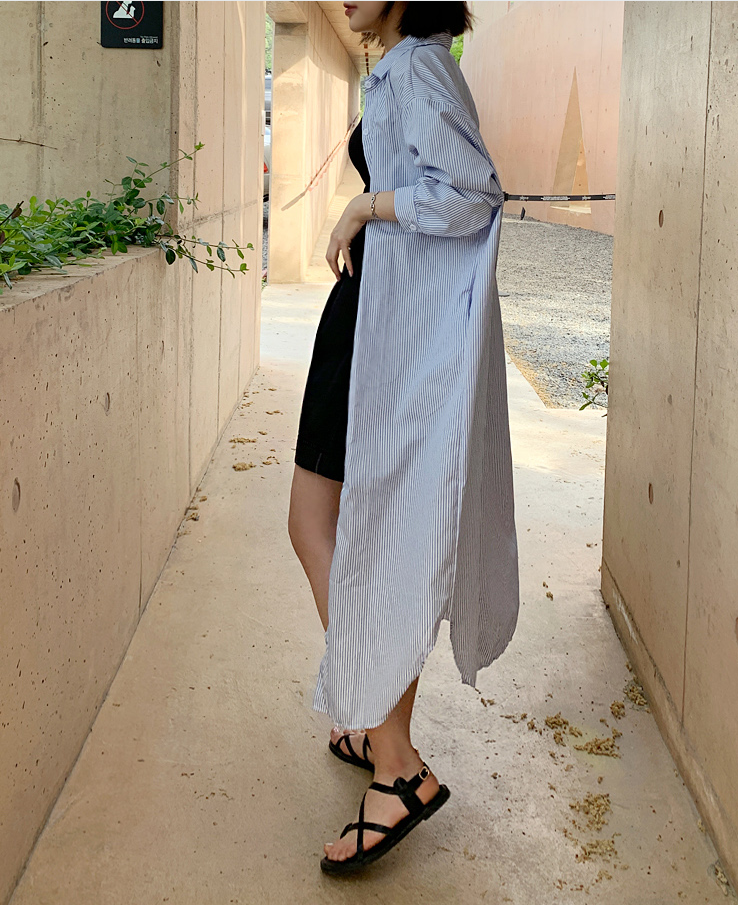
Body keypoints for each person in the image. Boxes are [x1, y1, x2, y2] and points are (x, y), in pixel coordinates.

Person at [287, 0, 519, 873]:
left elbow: (471, 195)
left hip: (380, 332)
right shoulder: (402, 65)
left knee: (321, 526)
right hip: (366, 319)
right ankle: (375, 722)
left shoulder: (419, 65)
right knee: (340, 529)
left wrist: (364, 205)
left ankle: (398, 765)